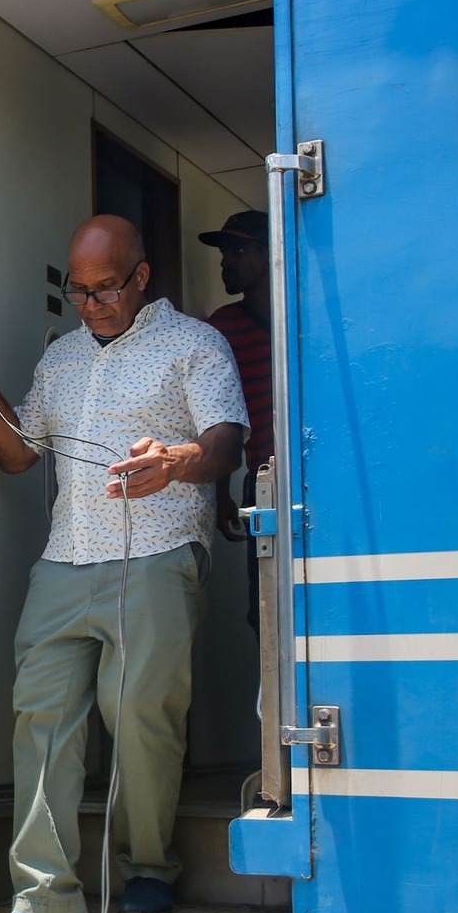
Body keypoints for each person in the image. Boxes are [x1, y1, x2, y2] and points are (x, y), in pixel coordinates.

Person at [0, 215, 248, 913]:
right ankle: (44, 902)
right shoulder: (62, 359)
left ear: (141, 277)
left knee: (141, 710)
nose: (91, 304)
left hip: (157, 551)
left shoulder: (195, 344)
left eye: (105, 289)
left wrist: (175, 461)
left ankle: (149, 867)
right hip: (65, 556)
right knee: (39, 718)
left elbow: (226, 441)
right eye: (79, 292)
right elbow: (19, 453)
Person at [199, 210, 275, 625]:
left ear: (271, 253)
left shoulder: (305, 316)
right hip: (262, 482)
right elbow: (219, 413)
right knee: (265, 611)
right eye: (224, 251)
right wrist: (221, 492)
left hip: (320, 477)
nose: (226, 260)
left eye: (239, 249)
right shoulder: (223, 327)